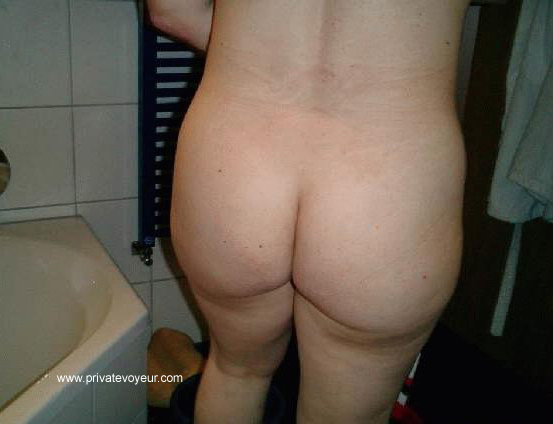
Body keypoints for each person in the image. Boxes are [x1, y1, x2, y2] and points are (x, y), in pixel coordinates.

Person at [147, 1, 470, 423]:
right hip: (389, 179)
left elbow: (171, 10)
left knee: (234, 373)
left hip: (234, 162)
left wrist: (255, 54)